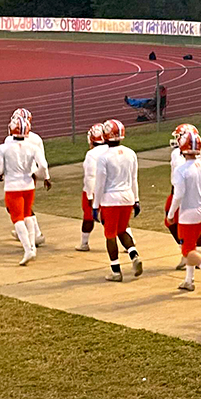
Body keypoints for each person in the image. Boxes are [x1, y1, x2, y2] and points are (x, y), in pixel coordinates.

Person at [167, 127, 201, 296]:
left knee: (187, 252)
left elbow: (178, 195)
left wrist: (170, 215)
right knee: (191, 245)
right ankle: (189, 280)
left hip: (188, 213)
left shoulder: (181, 170)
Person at [0, 110, 49, 266]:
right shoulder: (33, 146)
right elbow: (43, 165)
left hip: (12, 185)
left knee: (17, 218)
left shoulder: (3, 148)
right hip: (28, 184)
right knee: (28, 215)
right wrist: (40, 175)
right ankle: (32, 247)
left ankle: (28, 249)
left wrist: (1, 173)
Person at [93, 119, 144, 281]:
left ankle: (116, 270)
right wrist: (136, 199)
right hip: (127, 197)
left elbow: (100, 183)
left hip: (110, 199)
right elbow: (134, 178)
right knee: (122, 230)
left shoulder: (103, 157)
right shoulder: (131, 153)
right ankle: (134, 254)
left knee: (110, 235)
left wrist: (95, 205)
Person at [6, 107, 49, 247]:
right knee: (21, 205)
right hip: (30, 174)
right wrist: (45, 176)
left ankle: (34, 234)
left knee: (19, 206)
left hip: (17, 177)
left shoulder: (9, 140)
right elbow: (42, 160)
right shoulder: (36, 138)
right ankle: (25, 231)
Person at [75, 123, 107, 251]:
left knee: (88, 217)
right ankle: (129, 242)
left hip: (93, 189)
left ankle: (84, 243)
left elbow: (90, 176)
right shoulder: (111, 150)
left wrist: (89, 195)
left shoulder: (91, 154)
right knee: (114, 217)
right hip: (109, 189)